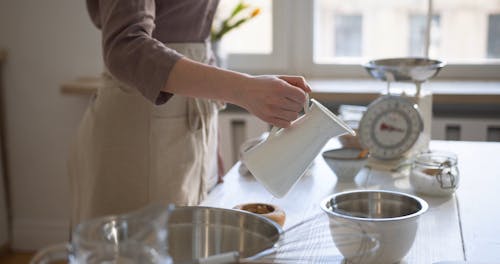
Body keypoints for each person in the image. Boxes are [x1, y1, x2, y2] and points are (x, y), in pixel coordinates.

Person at [69, 0, 311, 226]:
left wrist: (210, 135)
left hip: (188, 126)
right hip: (141, 129)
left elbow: (197, 40)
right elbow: (125, 46)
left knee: (187, 242)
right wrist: (245, 89)